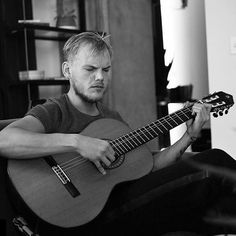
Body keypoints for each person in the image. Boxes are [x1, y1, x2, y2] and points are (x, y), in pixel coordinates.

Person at [0, 32, 236, 236]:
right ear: (67, 70)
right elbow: (5, 140)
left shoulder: (111, 120)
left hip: (120, 208)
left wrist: (188, 137)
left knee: (217, 207)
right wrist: (77, 142)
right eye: (90, 69)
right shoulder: (55, 110)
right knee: (215, 160)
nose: (100, 77)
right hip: (76, 220)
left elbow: (148, 166)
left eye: (106, 69)